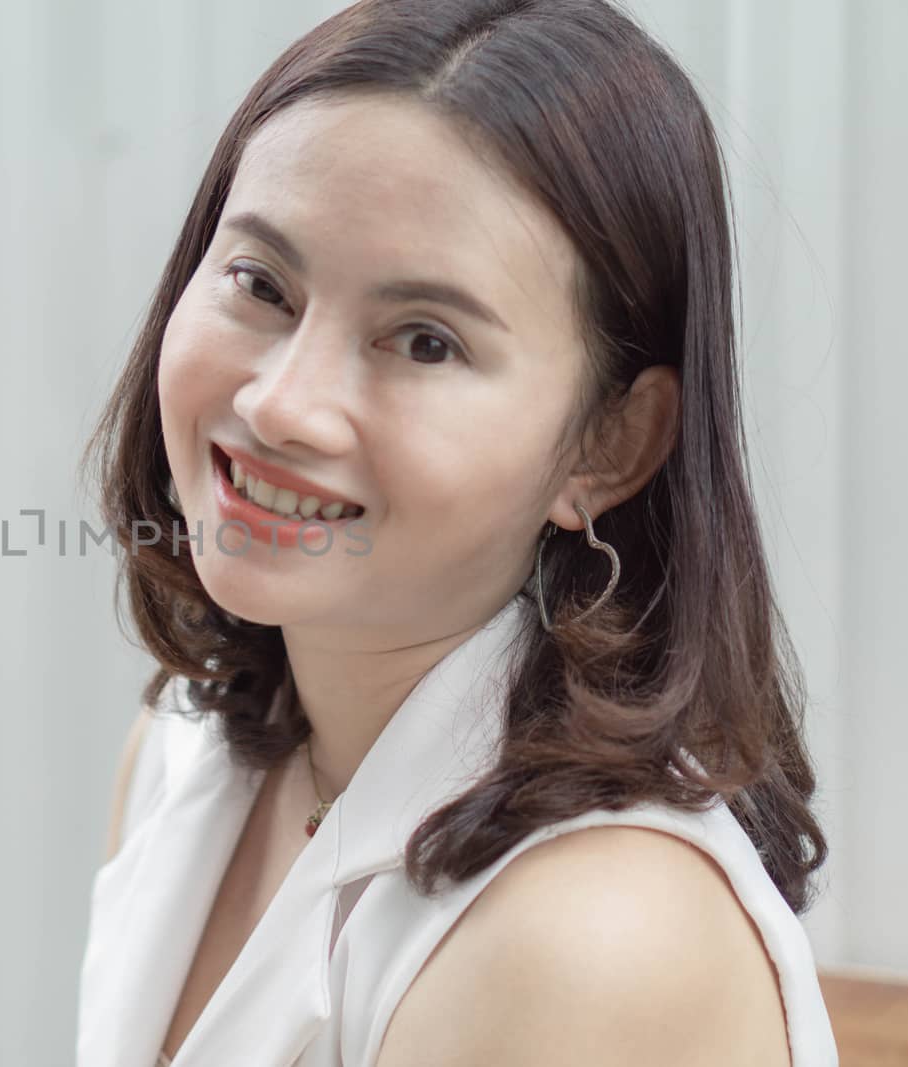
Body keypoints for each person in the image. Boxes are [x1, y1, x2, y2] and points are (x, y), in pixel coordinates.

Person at [76, 0, 836, 1065]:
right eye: (261, 283)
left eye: (423, 341)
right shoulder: (184, 756)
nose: (282, 402)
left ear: (609, 443)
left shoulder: (587, 937)